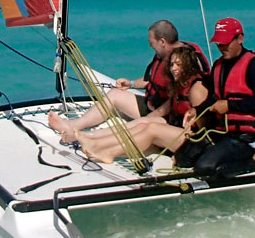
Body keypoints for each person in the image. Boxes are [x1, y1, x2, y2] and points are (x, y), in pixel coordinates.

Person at [48, 20, 208, 142]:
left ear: (163, 42)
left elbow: (185, 95)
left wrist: (151, 117)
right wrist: (131, 84)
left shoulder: (185, 61)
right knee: (115, 95)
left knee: (137, 125)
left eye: (152, 43)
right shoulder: (164, 55)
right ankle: (74, 125)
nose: (150, 45)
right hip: (152, 105)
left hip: (168, 115)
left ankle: (85, 137)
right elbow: (151, 81)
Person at [74, 45, 214, 164]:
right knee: (146, 122)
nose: (173, 69)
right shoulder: (180, 85)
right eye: (171, 64)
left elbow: (205, 127)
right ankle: (93, 138)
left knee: (152, 129)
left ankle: (109, 153)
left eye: (178, 64)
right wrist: (144, 120)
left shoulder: (196, 89)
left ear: (188, 66)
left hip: (194, 141)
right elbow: (164, 110)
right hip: (177, 130)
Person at [192, 17, 255, 177]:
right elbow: (215, 98)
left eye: (226, 43)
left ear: (240, 39)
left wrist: (229, 106)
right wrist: (197, 110)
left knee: (204, 168)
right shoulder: (218, 65)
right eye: (219, 44)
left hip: (245, 138)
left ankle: (254, 161)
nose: (222, 48)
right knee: (183, 158)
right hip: (222, 133)